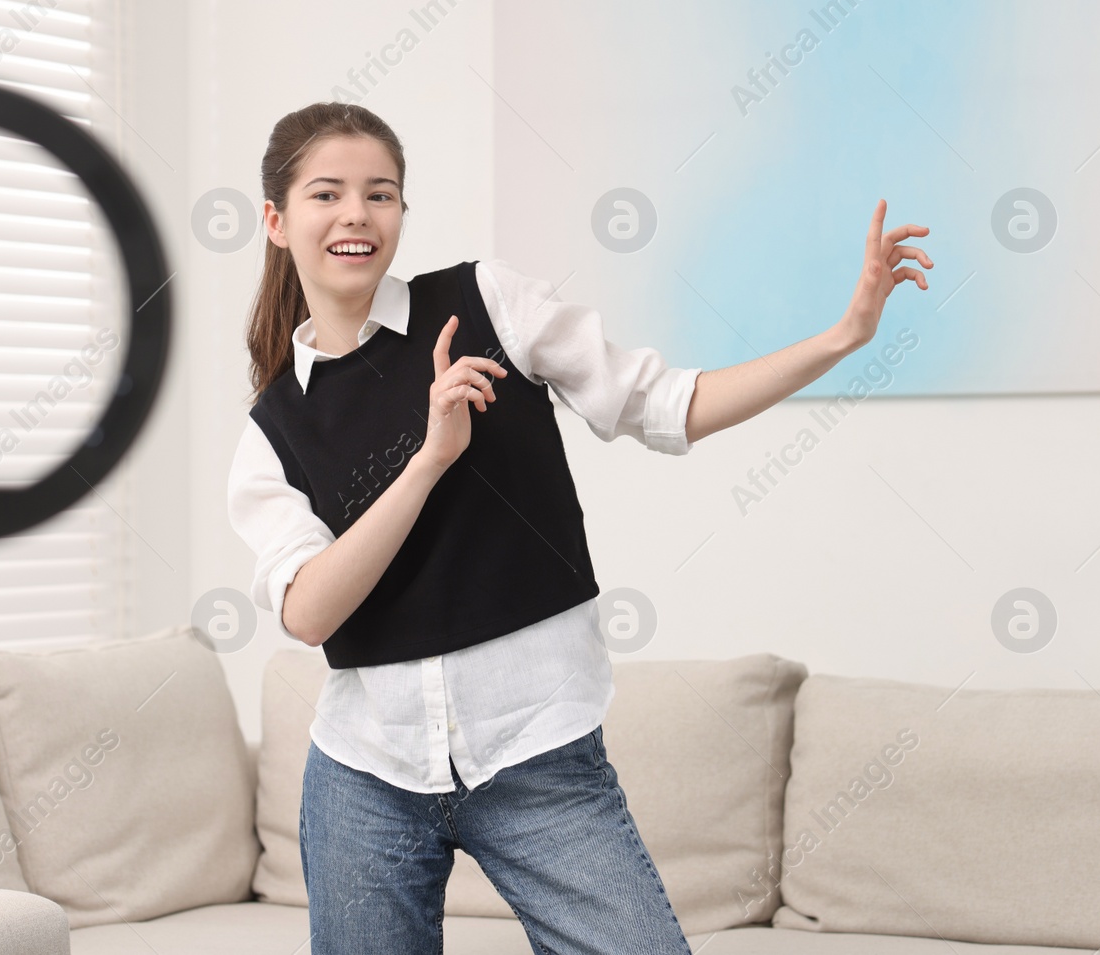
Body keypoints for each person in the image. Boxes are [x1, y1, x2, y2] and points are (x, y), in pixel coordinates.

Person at [225, 102, 932, 954]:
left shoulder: (488, 301)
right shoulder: (271, 429)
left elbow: (668, 404)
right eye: (326, 194)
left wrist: (844, 337)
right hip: (363, 779)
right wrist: (429, 459)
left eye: (381, 194)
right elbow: (308, 611)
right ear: (276, 220)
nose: (356, 215)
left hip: (537, 756)